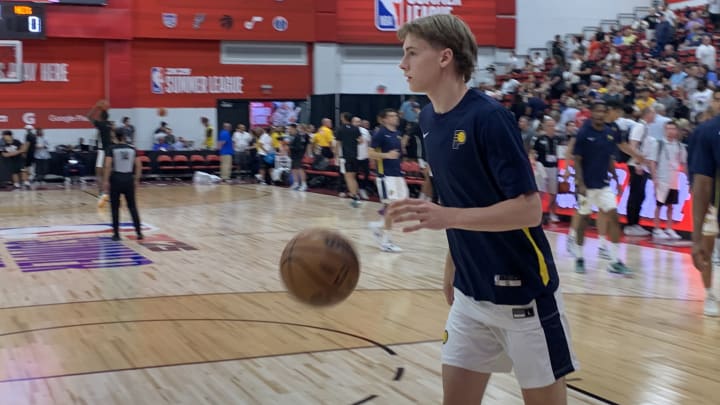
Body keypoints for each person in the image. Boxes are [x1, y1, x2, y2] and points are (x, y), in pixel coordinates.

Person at [387, 14, 577, 404]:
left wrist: (446, 217)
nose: (402, 64)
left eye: (411, 53)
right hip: (470, 297)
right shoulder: (427, 119)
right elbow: (460, 198)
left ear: (444, 57)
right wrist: (452, 266)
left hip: (524, 293)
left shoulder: (490, 118)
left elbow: (528, 210)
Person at [571, 102, 633, 275]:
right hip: (586, 185)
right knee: (583, 220)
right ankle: (579, 258)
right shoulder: (584, 132)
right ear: (591, 113)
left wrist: (615, 178)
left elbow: (608, 158)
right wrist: (580, 183)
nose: (600, 114)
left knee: (614, 217)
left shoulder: (609, 133)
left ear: (606, 114)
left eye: (603, 111)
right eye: (597, 111)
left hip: (603, 184)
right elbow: (576, 159)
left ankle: (614, 261)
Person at [689, 89, 720, 317]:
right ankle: (710, 294)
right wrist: (696, 235)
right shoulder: (707, 131)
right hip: (713, 206)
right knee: (706, 249)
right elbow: (701, 183)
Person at [369, 108, 406, 253]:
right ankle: (386, 242)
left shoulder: (397, 134)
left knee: (400, 206)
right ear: (384, 119)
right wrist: (386, 155)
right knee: (392, 207)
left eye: (396, 115)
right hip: (385, 176)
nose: (395, 118)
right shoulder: (380, 133)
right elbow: (370, 153)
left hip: (397, 174)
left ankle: (378, 226)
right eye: (392, 116)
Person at [102, 130, 143, 241]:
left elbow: (107, 165)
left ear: (115, 136)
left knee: (115, 208)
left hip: (116, 178)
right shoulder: (132, 149)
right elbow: (139, 166)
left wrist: (105, 181)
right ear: (124, 136)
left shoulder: (111, 149)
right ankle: (139, 233)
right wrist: (136, 180)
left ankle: (116, 234)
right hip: (129, 178)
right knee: (132, 207)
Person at [87, 100, 113, 197]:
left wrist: (96, 107)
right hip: (110, 150)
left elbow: (88, 116)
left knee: (98, 172)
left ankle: (102, 192)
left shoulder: (101, 124)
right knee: (108, 172)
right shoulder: (110, 124)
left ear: (101, 117)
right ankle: (108, 191)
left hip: (102, 151)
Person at [335, 112, 362, 206]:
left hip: (345, 156)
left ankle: (354, 197)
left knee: (348, 177)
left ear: (344, 118)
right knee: (353, 177)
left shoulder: (340, 129)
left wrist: (336, 156)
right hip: (355, 155)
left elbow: (337, 144)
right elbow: (361, 141)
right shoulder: (356, 129)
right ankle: (357, 195)